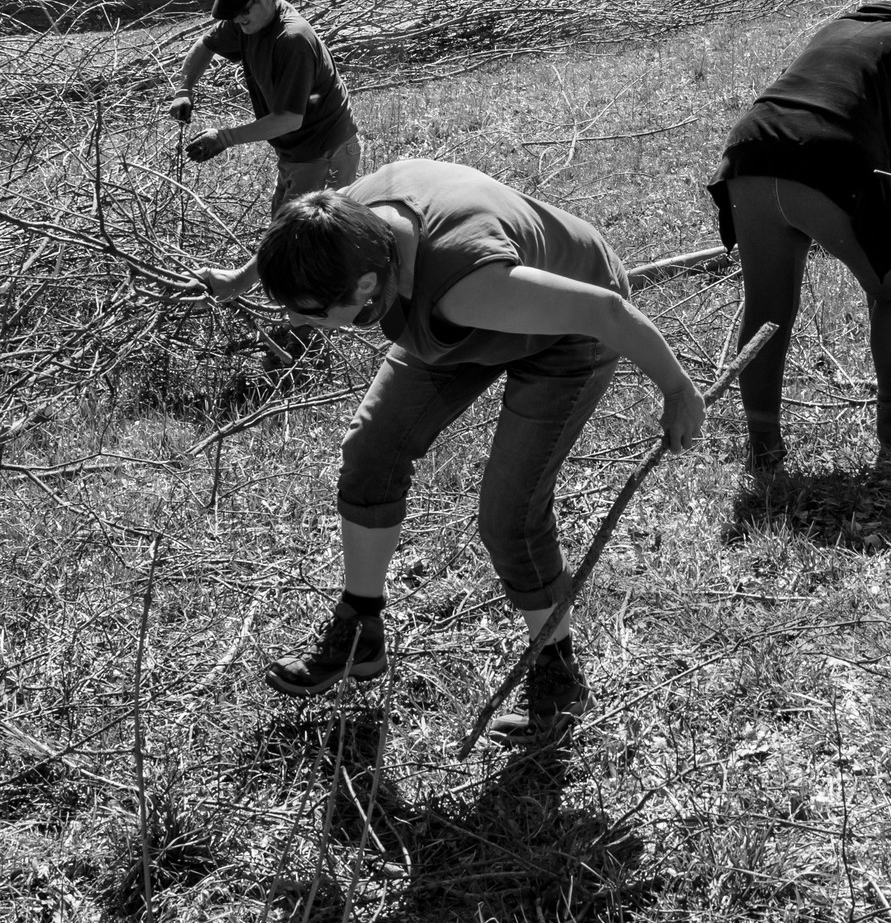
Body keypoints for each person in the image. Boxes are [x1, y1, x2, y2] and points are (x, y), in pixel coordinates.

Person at [195, 159, 706, 745]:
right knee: (372, 451)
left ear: (365, 287)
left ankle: (558, 676)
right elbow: (300, 237)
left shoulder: (466, 285)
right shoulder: (350, 222)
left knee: (510, 515)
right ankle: (360, 630)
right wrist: (239, 279)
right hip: (469, 306)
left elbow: (604, 311)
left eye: (309, 311)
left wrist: (677, 390)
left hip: (572, 326)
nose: (297, 322)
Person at [707, 0, 891, 467]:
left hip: (750, 154)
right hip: (829, 164)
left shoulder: (837, 28)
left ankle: (763, 444)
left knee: (768, 310)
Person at [168, 0, 360, 212]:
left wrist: (225, 138)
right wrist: (184, 90)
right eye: (233, 12)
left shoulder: (292, 40)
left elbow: (289, 119)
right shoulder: (246, 22)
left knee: (304, 242)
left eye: (244, 10)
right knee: (283, 232)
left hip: (326, 151)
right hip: (295, 153)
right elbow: (206, 45)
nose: (238, 18)